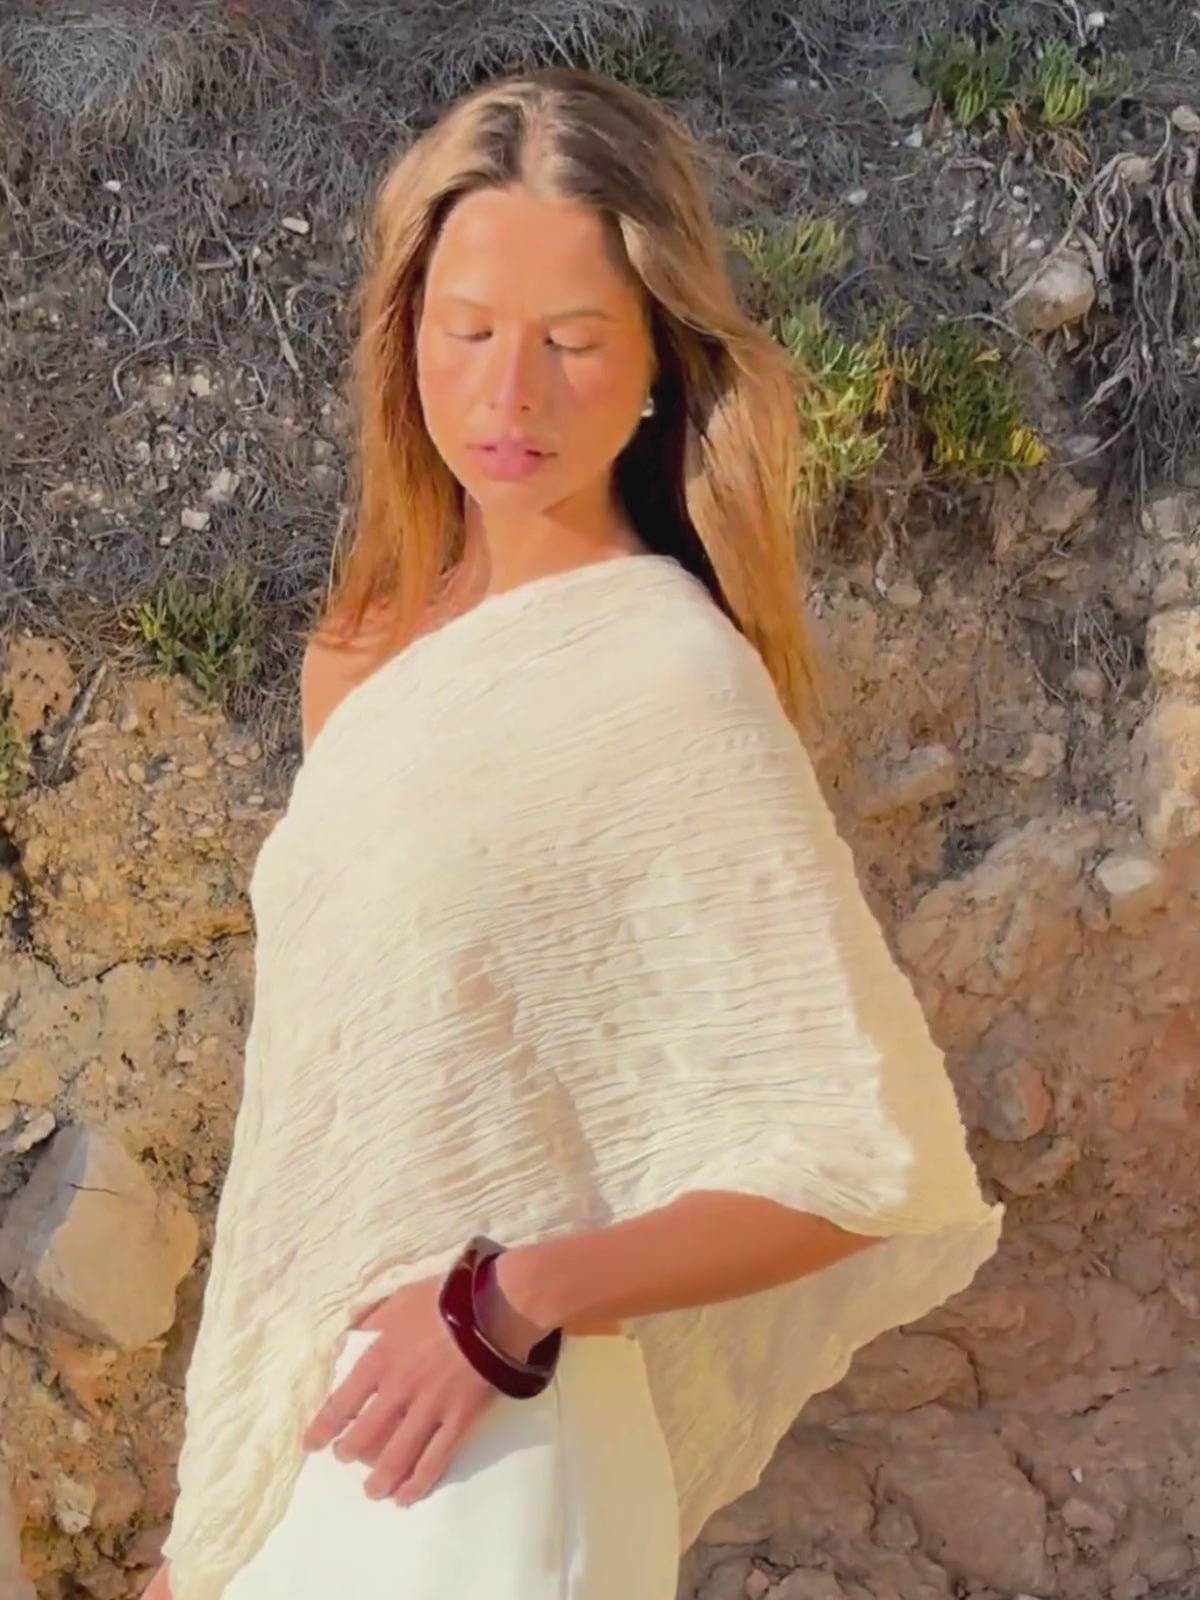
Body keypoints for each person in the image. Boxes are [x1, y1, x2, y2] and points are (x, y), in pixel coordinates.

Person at [147, 67, 1001, 1600]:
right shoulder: (356, 659)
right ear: (405, 336)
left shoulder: (666, 678)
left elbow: (855, 1157)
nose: (510, 395)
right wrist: (221, 1531)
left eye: (574, 340)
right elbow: (322, 1143)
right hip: (328, 1454)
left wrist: (512, 1299)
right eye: (469, 330)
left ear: (661, 360)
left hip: (487, 1458)